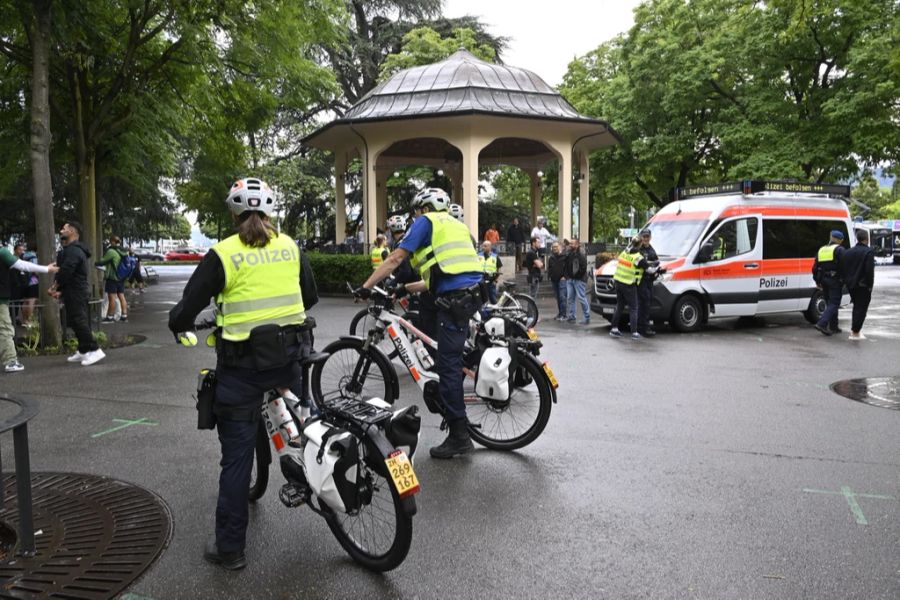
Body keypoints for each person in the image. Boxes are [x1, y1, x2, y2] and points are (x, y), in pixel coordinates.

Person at [168, 177, 316, 571]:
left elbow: (187, 308)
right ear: (269, 212)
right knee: (304, 421)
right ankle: (315, 474)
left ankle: (230, 548)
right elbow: (311, 296)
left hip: (242, 370)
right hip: (289, 359)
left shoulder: (223, 254)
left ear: (234, 213)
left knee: (235, 459)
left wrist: (177, 323)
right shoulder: (290, 247)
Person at [359, 187, 482, 459]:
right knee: (447, 356)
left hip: (454, 301)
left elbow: (395, 258)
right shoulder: (455, 224)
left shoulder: (426, 222)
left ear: (423, 209)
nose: (415, 217)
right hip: (469, 295)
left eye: (416, 212)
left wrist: (366, 286)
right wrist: (405, 290)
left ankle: (460, 435)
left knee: (447, 366)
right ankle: (452, 406)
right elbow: (435, 277)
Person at [50, 221, 105, 366]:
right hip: (72, 291)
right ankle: (83, 350)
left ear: (72, 232)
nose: (61, 231)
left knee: (79, 321)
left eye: (64, 228)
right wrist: (60, 290)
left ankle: (95, 349)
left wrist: (55, 287)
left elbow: (66, 271)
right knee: (74, 321)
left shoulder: (74, 251)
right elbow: (66, 272)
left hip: (77, 292)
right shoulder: (70, 250)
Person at [0, 245, 58, 372]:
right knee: (4, 330)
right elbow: (21, 265)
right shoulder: (2, 252)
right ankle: (10, 361)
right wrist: (46, 269)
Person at [610, 236, 648, 340]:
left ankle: (614, 329)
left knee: (620, 306)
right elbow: (647, 268)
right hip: (628, 284)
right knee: (634, 308)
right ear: (640, 245)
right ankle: (634, 333)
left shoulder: (624, 252)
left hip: (618, 282)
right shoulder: (637, 257)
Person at [840, 229, 876, 340]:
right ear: (867, 239)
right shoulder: (868, 252)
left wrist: (846, 282)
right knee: (861, 309)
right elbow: (869, 271)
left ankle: (855, 330)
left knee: (857, 307)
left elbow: (844, 268)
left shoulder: (848, 252)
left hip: (851, 285)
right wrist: (870, 285)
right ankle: (855, 332)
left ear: (857, 238)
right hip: (863, 285)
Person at [812, 230, 846, 336]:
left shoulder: (822, 249)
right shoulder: (839, 249)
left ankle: (833, 326)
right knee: (834, 303)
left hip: (823, 280)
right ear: (839, 240)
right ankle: (822, 323)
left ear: (831, 238)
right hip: (834, 280)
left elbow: (815, 267)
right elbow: (845, 265)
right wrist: (844, 279)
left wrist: (817, 280)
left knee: (830, 303)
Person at [96, 235, 129, 323]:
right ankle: (124, 316)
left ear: (113, 242)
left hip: (112, 277)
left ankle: (110, 317)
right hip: (121, 277)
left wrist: (96, 263)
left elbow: (102, 261)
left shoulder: (111, 251)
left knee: (112, 297)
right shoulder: (124, 251)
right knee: (121, 296)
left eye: (110, 241)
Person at [636, 228, 660, 337]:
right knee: (643, 304)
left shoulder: (652, 250)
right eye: (644, 236)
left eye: (647, 237)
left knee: (647, 304)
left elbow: (656, 262)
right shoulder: (638, 249)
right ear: (641, 237)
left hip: (649, 281)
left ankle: (643, 326)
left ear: (650, 237)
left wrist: (657, 270)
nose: (645, 238)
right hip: (640, 281)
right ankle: (643, 328)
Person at [564, 237, 590, 325]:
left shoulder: (581, 254)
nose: (570, 245)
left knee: (581, 298)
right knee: (570, 298)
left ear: (577, 244)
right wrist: (567, 276)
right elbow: (566, 265)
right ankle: (572, 316)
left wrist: (576, 276)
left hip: (579, 280)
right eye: (570, 243)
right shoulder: (569, 253)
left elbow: (583, 268)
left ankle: (586, 317)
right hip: (571, 279)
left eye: (572, 243)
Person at [547, 241, 568, 320]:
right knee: (558, 298)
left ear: (560, 247)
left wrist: (565, 276)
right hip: (554, 279)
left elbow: (568, 268)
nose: (554, 248)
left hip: (562, 279)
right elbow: (549, 267)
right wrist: (550, 276)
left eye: (556, 246)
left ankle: (564, 315)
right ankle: (560, 314)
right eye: (553, 247)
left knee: (562, 297)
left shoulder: (565, 256)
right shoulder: (551, 257)